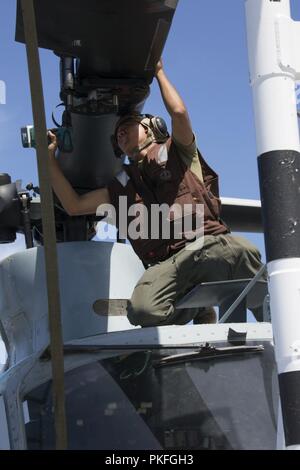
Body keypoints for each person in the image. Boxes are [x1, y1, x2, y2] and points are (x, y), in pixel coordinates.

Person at [48, 59, 264, 327]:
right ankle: (197, 309)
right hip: (170, 267)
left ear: (152, 127)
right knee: (142, 311)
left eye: (128, 126)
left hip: (209, 245)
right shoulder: (120, 187)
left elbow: (180, 113)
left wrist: (159, 72)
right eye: (117, 136)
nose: (121, 133)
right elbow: (73, 205)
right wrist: (48, 159)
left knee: (250, 264)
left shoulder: (180, 152)